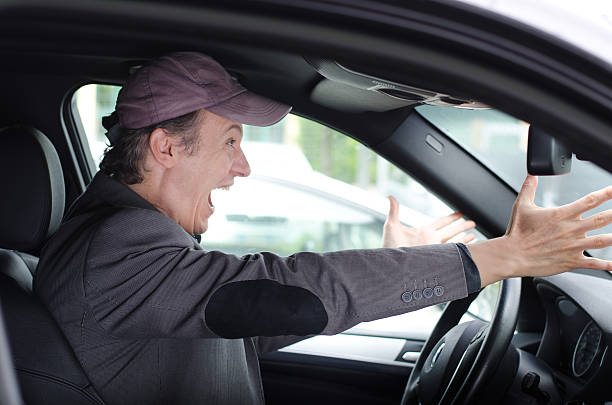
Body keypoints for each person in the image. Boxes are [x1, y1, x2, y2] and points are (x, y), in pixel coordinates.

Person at [34, 52, 612, 405]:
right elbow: (279, 289)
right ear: (165, 147)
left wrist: (397, 268)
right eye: (230, 141)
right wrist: (494, 259)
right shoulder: (116, 248)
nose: (243, 165)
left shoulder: (128, 243)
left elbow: (247, 322)